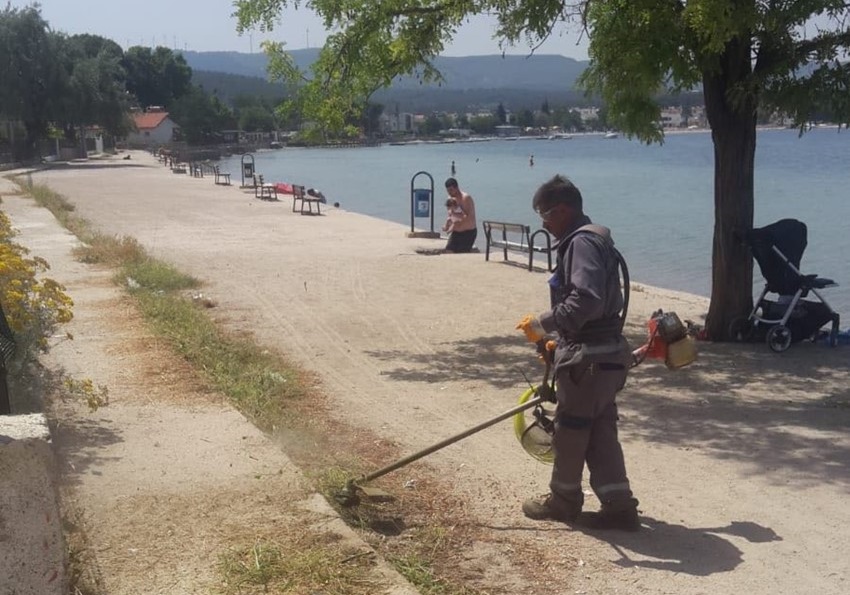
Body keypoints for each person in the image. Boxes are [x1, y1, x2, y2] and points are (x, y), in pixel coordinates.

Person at [516, 174, 639, 531]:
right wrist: (558, 344)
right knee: (600, 432)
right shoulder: (597, 239)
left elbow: (586, 299)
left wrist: (542, 324)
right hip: (607, 357)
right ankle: (619, 506)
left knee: (570, 431)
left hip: (588, 362)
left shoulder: (581, 244)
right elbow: (595, 308)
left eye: (546, 214)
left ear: (565, 209)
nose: (544, 222)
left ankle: (563, 501)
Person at [443, 178, 477, 253]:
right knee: (448, 250)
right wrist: (448, 225)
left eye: (451, 190)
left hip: (468, 232)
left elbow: (468, 216)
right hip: (456, 233)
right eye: (448, 190)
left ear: (457, 187)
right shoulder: (450, 199)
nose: (449, 193)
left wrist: (455, 223)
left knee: (462, 253)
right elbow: (450, 214)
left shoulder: (465, 198)